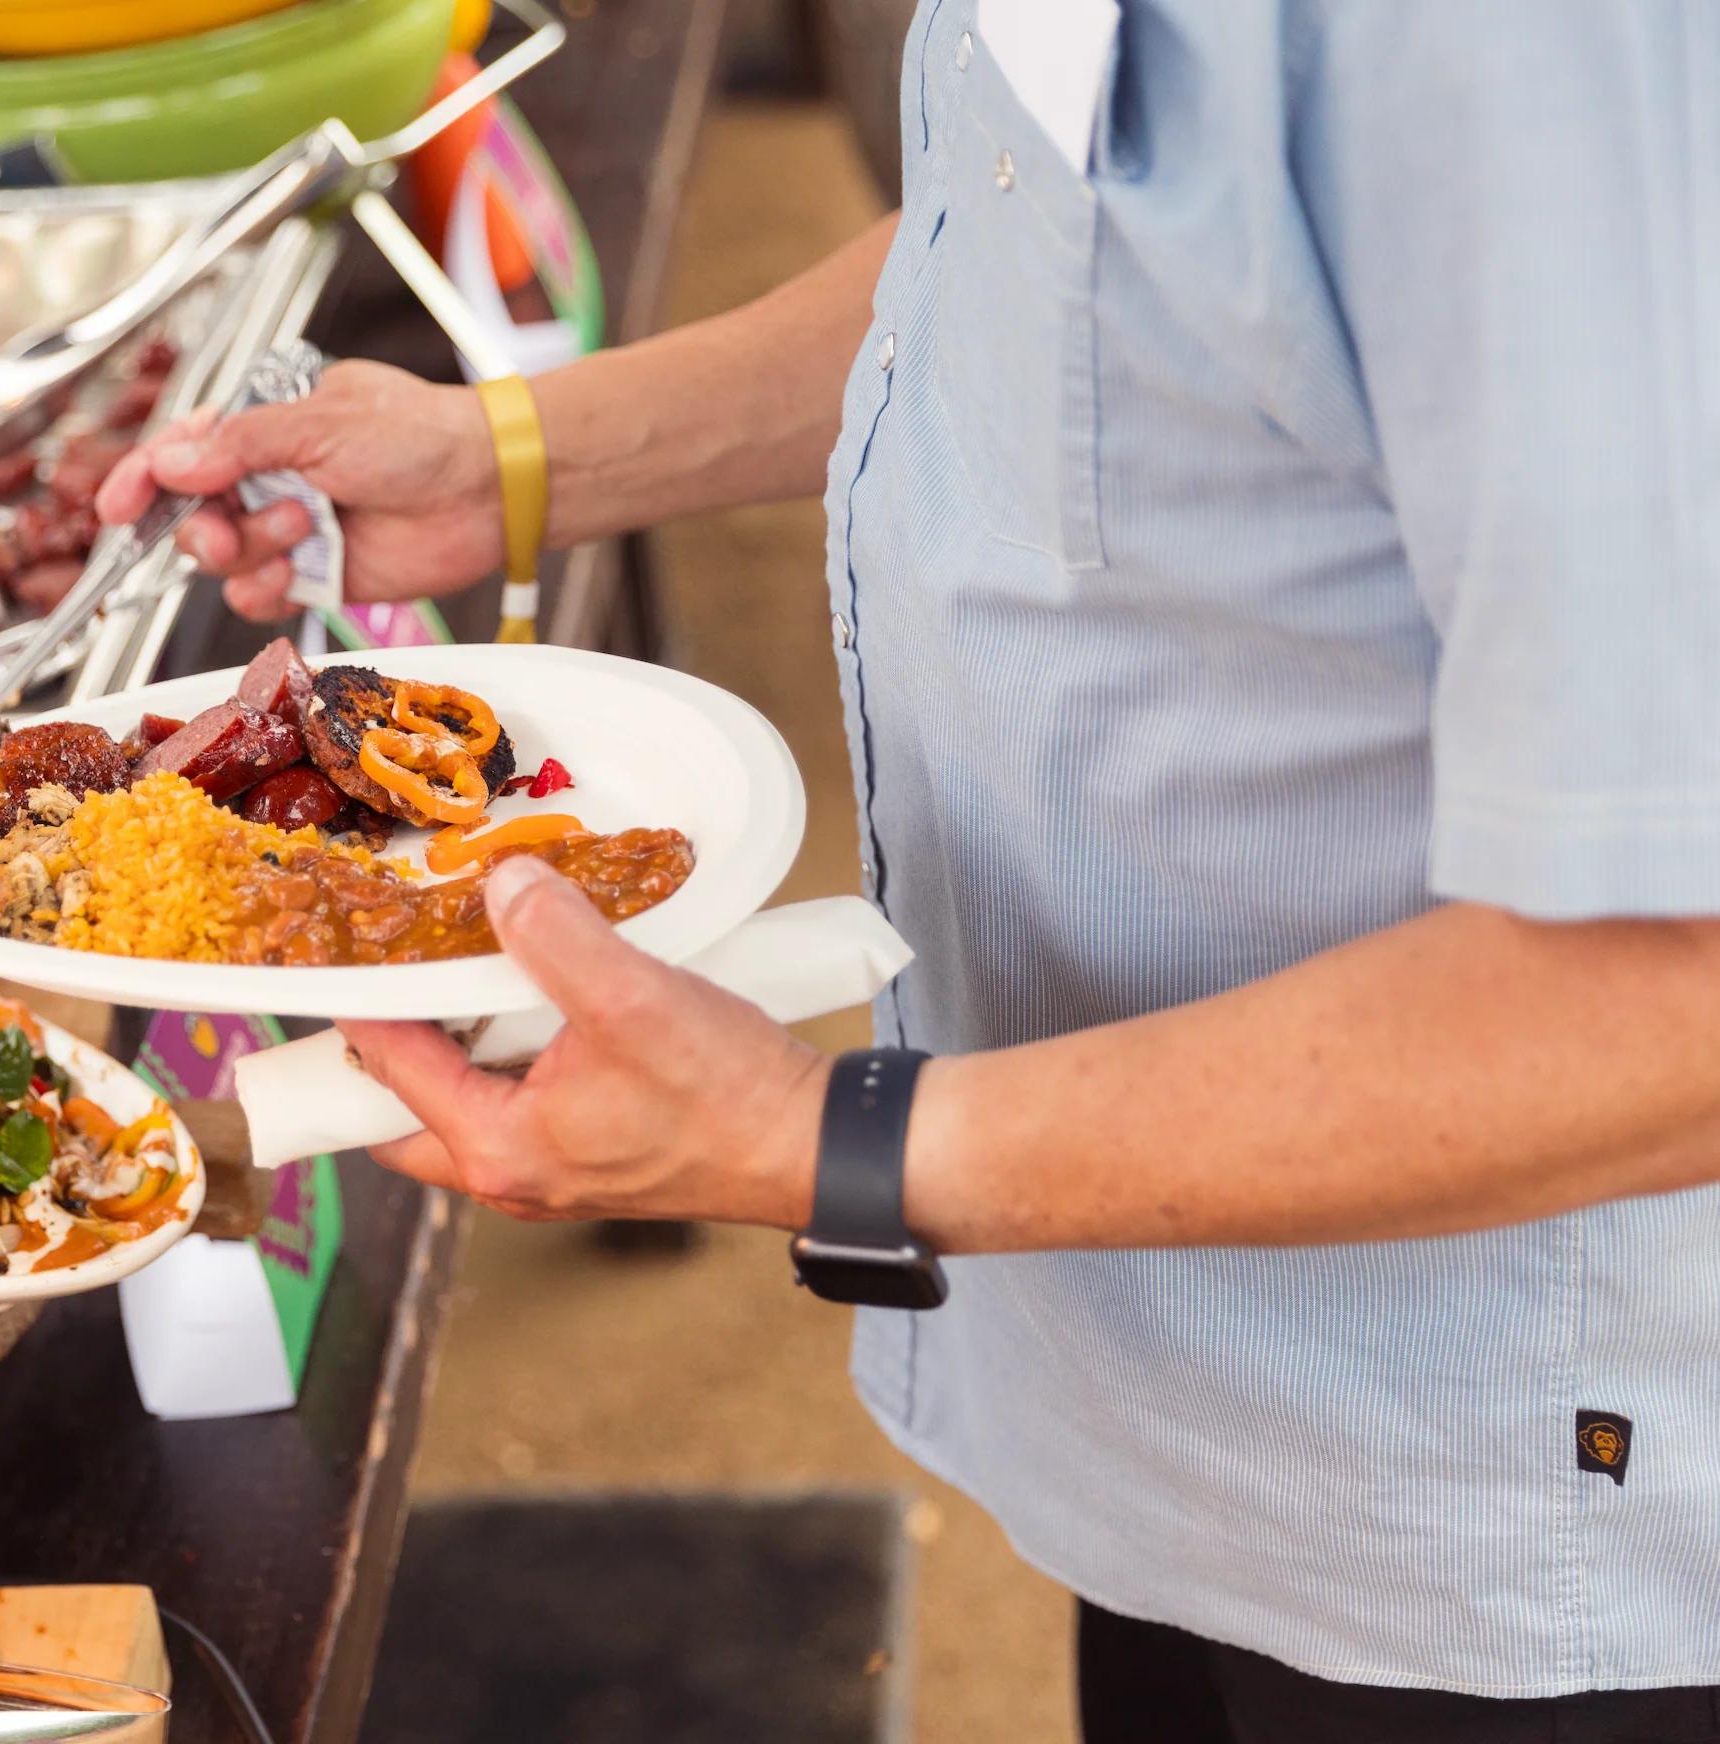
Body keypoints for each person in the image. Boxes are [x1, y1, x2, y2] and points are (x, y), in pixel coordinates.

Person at [99, 4, 1720, 1740]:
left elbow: (1666, 997)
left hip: (1503, 1508)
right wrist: (521, 458)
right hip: (1192, 1385)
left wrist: (826, 1142)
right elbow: (1036, 243)